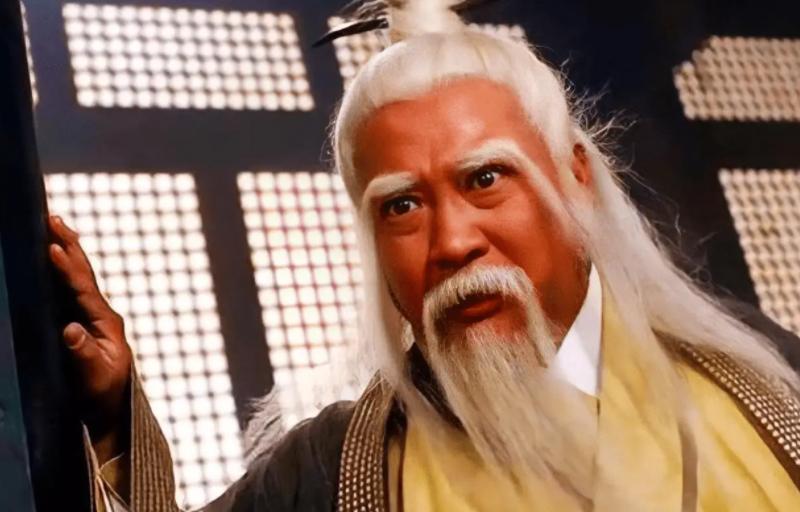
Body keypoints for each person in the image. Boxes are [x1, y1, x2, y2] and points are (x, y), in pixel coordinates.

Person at [47, 1, 800, 510]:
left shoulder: (765, 385)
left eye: (485, 179)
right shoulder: (338, 469)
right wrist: (113, 420)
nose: (452, 243)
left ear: (575, 178)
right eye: (402, 206)